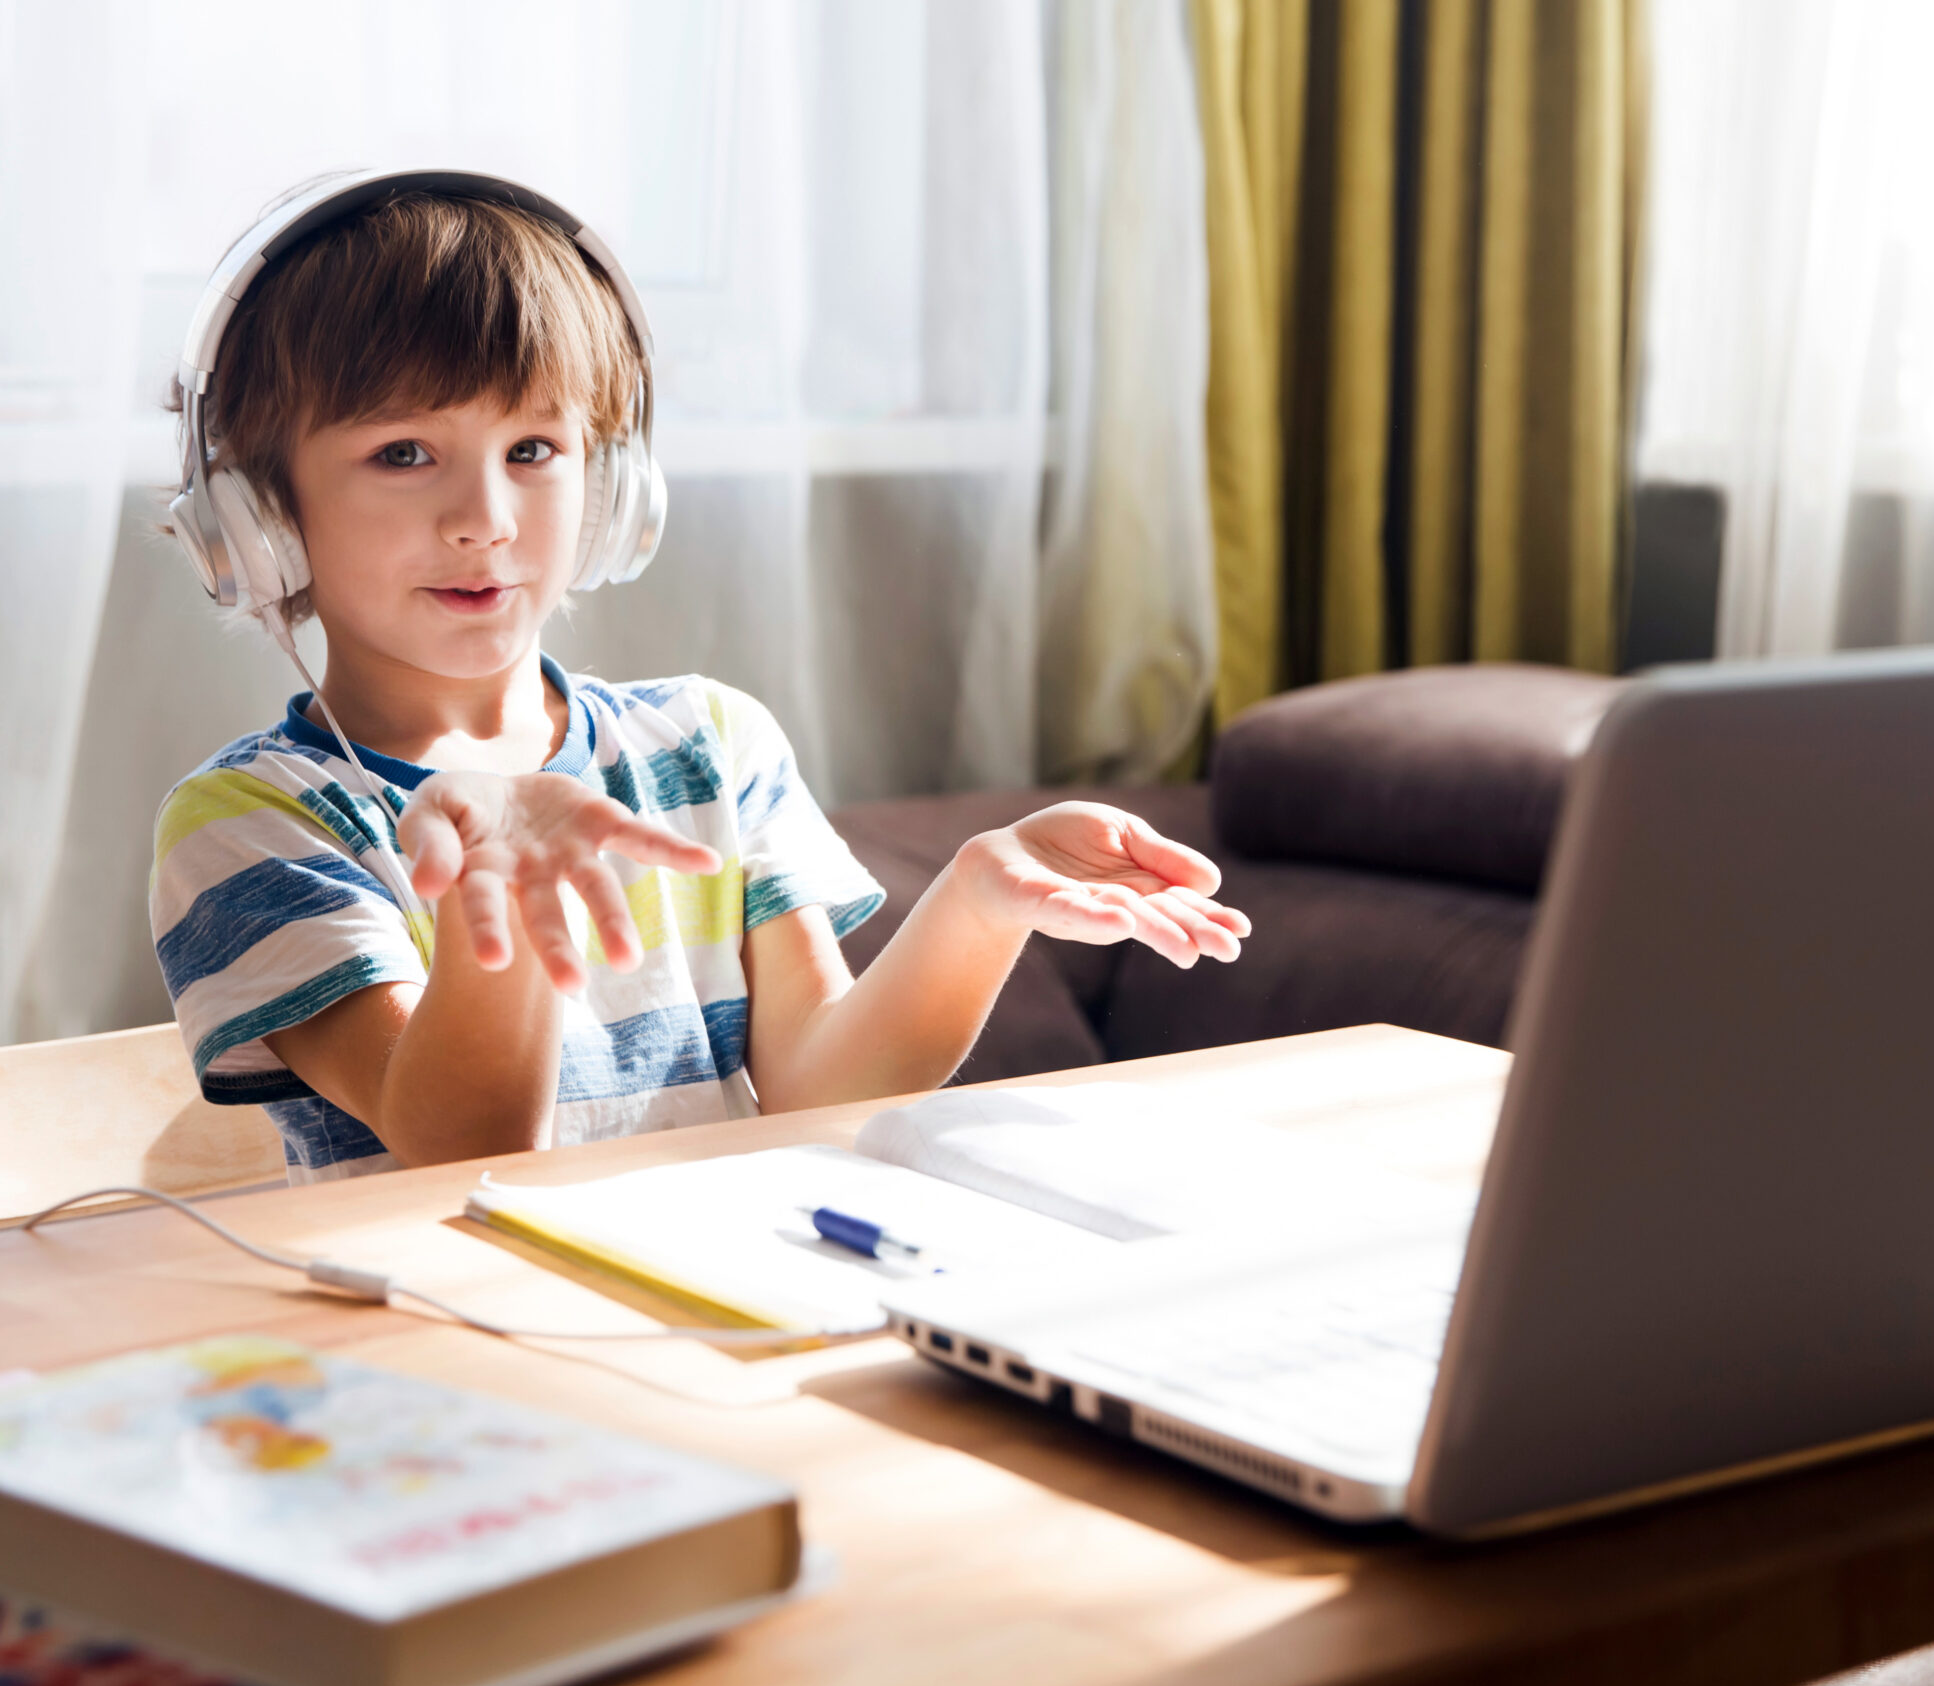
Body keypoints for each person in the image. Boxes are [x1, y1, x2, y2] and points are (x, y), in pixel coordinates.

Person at [149, 182, 1246, 1184]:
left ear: (614, 487)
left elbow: (824, 1089)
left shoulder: (707, 744)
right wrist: (513, 906)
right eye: (403, 453)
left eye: (534, 449)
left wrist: (976, 901)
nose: (484, 518)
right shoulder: (253, 824)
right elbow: (460, 1150)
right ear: (260, 518)